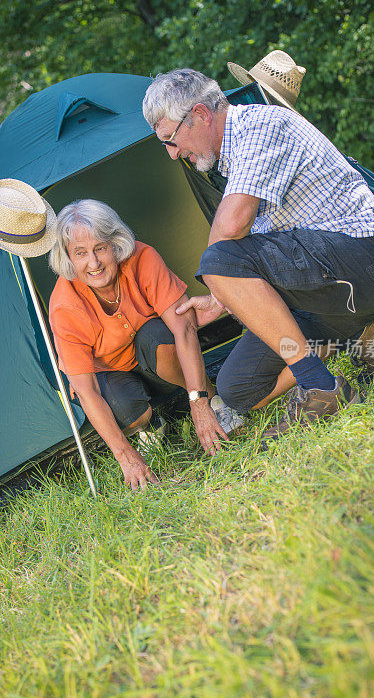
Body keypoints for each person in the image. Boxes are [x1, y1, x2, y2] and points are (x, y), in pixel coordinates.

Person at [142, 69, 374, 443]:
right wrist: (224, 297)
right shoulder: (232, 162)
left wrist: (220, 285)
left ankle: (321, 386)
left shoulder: (261, 127)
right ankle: (364, 327)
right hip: (324, 289)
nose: (172, 154)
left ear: (200, 114)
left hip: (366, 259)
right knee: (238, 388)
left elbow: (230, 231)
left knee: (217, 259)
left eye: (170, 139)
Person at [48, 198, 243, 490]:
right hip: (113, 374)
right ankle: (149, 426)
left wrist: (200, 404)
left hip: (155, 356)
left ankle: (213, 399)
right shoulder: (64, 307)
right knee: (119, 407)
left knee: (157, 334)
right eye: (80, 253)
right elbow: (87, 393)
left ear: (115, 244)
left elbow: (185, 329)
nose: (94, 263)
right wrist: (126, 456)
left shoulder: (142, 258)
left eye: (100, 248)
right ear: (68, 258)